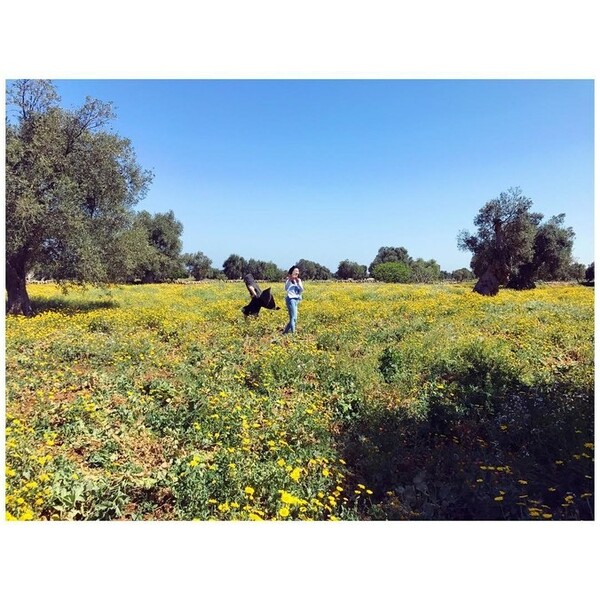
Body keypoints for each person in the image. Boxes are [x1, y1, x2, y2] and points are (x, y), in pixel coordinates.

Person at [283, 265, 303, 334]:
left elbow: (301, 290)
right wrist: (290, 279)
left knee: (295, 318)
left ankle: (285, 333)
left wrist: (298, 283)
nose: (297, 272)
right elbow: (286, 288)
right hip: (290, 299)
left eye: (298, 271)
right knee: (293, 318)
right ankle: (293, 334)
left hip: (296, 300)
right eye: (295, 271)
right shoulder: (288, 280)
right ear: (291, 272)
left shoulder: (299, 280)